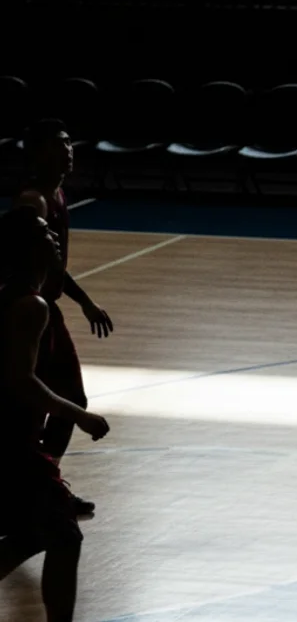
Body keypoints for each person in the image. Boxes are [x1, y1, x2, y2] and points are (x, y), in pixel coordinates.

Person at [0, 204, 111, 622]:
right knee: (64, 534)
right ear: (29, 248)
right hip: (12, 442)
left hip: (13, 439)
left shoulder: (12, 293)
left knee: (37, 532)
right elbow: (21, 380)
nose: (54, 237)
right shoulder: (31, 306)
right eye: (45, 233)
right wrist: (78, 414)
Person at [11, 119, 113, 518]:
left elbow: (52, 265)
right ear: (38, 154)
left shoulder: (58, 193)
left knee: (71, 397)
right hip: (30, 308)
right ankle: (36, 487)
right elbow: (25, 257)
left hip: (47, 308)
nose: (67, 151)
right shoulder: (33, 201)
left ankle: (43, 481)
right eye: (58, 145)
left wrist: (85, 302)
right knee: (32, 404)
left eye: (69, 143)